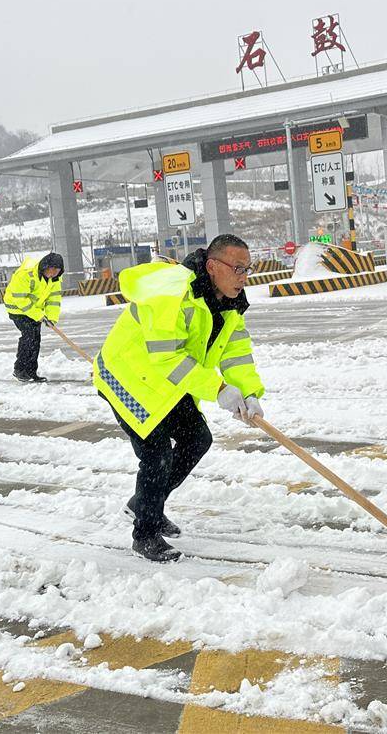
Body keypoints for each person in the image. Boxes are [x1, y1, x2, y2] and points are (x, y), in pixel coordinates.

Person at [93, 234, 264, 563]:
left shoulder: (229, 302)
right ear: (213, 266)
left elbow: (236, 353)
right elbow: (167, 357)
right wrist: (217, 390)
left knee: (197, 439)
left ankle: (145, 504)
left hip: (166, 379)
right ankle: (145, 533)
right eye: (238, 269)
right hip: (128, 378)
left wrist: (250, 392)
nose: (244, 278)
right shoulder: (172, 294)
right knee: (156, 456)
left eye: (248, 269)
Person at [3, 252, 63, 383]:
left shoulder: (55, 280)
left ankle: (31, 372)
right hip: (17, 308)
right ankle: (19, 370)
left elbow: (54, 300)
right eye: (51, 271)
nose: (53, 274)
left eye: (56, 272)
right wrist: (40, 315)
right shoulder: (27, 274)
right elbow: (20, 299)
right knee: (29, 335)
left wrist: (51, 318)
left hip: (34, 310)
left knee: (36, 339)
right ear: (44, 266)